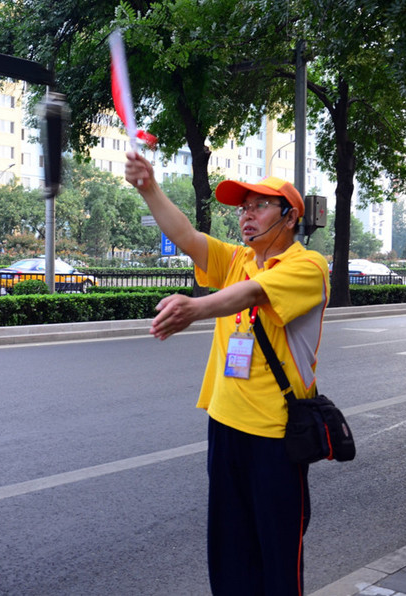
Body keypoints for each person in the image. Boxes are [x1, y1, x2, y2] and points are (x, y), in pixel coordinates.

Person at [124, 151, 329, 596]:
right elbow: (186, 236)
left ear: (291, 217)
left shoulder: (308, 266)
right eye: (243, 208)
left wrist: (196, 308)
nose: (247, 215)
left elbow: (253, 294)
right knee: (230, 551)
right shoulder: (237, 259)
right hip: (224, 423)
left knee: (277, 558)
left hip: (277, 435)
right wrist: (149, 187)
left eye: (259, 206)